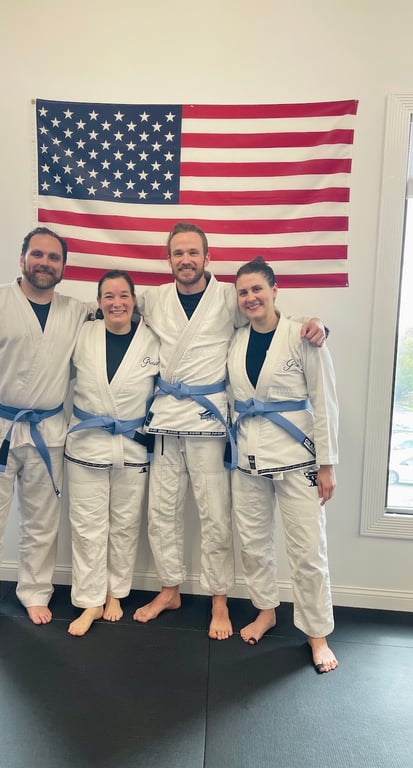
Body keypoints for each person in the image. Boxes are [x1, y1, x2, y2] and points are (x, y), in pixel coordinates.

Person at [133, 222, 326, 640]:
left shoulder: (229, 297)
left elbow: (272, 323)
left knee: (215, 514)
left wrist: (315, 325)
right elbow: (114, 308)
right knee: (161, 512)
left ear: (207, 257)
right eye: (178, 253)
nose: (185, 259)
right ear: (169, 259)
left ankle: (218, 599)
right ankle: (169, 589)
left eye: (193, 252)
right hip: (165, 418)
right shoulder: (153, 299)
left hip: (209, 421)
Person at [0, 226, 88, 640]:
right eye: (38, 254)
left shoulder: (76, 311)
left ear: (63, 267)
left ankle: (35, 592)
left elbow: (122, 313)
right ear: (22, 258)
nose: (45, 263)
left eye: (54, 257)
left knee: (42, 520)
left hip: (48, 429)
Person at [228, 256, 339, 673]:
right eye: (243, 292)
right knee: (253, 544)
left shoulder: (302, 336)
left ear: (275, 290)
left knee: (308, 551)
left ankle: (317, 634)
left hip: (297, 458)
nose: (250, 297)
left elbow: (325, 402)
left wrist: (327, 464)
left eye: (257, 288)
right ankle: (265, 611)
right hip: (247, 456)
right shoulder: (235, 339)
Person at [64, 270, 159, 636]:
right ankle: (90, 601)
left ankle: (115, 593)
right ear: (98, 302)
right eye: (108, 296)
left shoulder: (152, 338)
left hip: (133, 445)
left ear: (134, 300)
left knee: (125, 524)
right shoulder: (82, 334)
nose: (116, 303)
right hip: (86, 442)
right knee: (87, 527)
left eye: (123, 295)